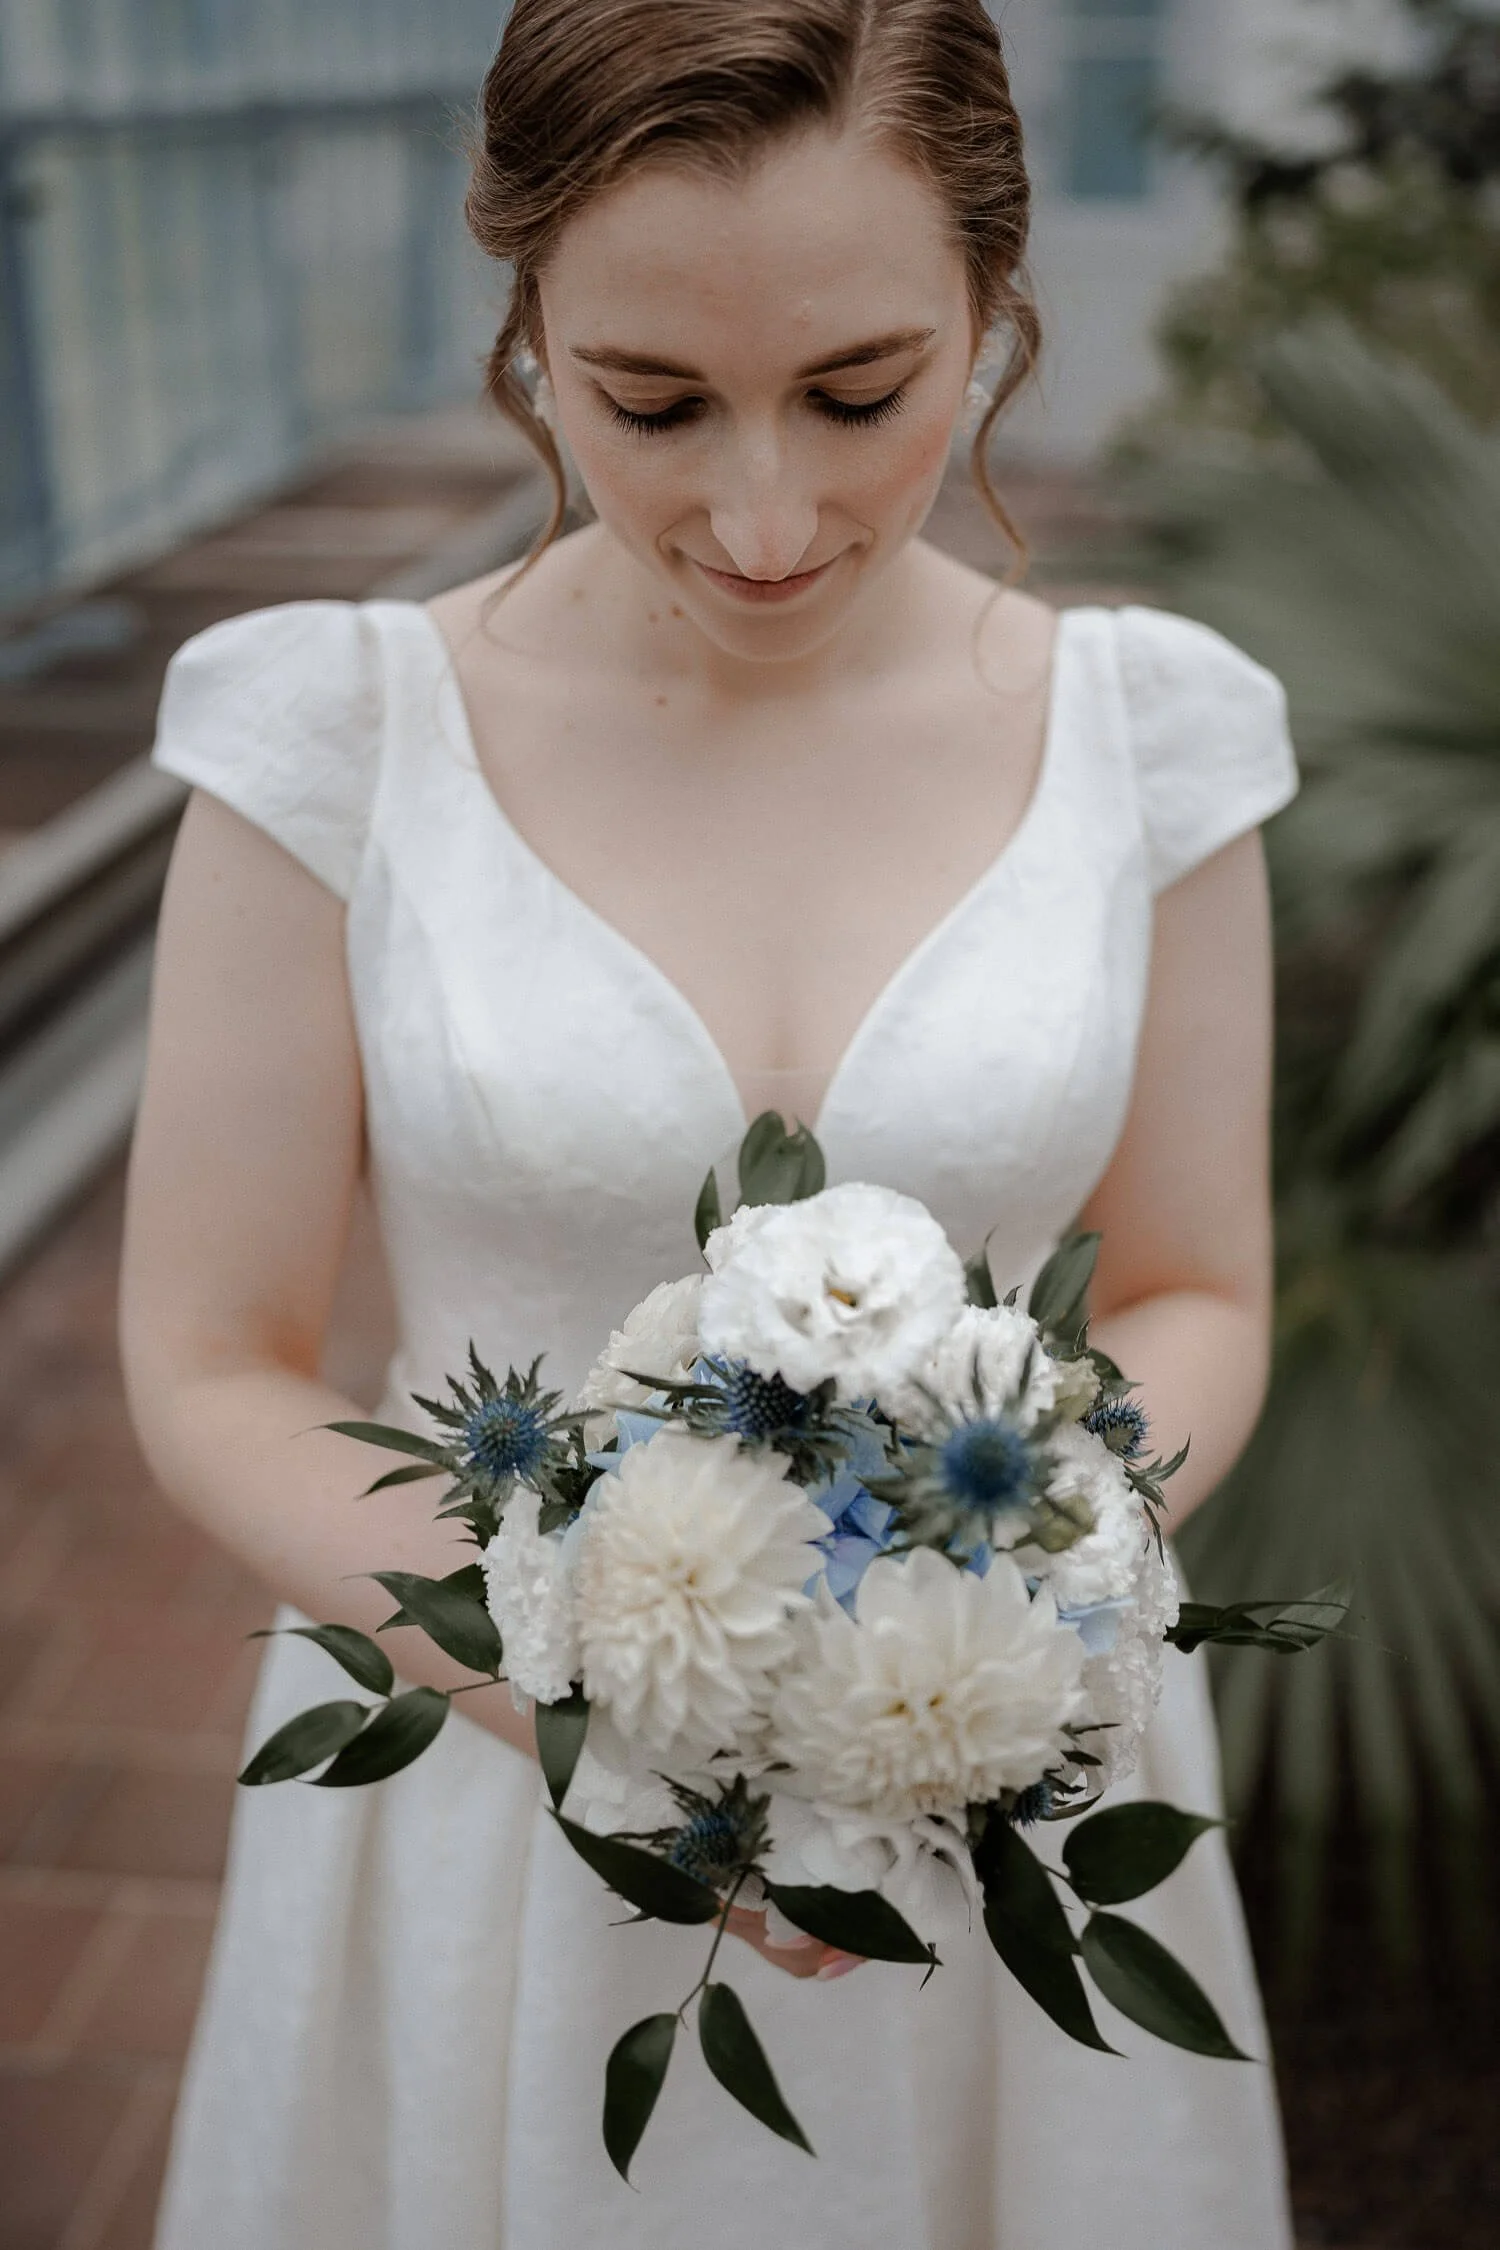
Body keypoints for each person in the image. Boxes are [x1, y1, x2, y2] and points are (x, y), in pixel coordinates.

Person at [119, 4, 1300, 2245]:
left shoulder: (1152, 736)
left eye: (862, 393)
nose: (764, 515)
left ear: (994, 310)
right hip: (485, 1799)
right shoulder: (334, 739)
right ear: (528, 325)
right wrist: (586, 1715)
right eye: (651, 402)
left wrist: (977, 1611)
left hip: (997, 1772)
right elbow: (209, 1359)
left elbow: (1198, 1287)